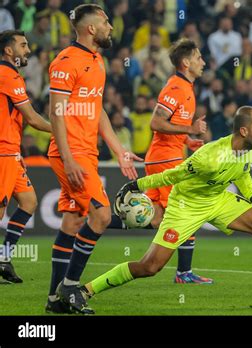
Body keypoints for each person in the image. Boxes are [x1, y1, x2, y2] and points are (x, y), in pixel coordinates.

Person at [78, 106, 252, 313]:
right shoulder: (209, 157)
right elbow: (174, 175)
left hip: (217, 200)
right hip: (186, 207)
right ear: (243, 131)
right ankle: (86, 290)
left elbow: (242, 176)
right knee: (150, 266)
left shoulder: (250, 150)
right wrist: (136, 183)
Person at [46, 4, 141, 314]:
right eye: (106, 23)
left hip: (86, 152)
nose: (111, 28)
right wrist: (69, 158)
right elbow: (56, 113)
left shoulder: (96, 61)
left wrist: (117, 149)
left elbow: (97, 110)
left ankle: (54, 301)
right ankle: (71, 288)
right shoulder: (65, 61)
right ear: (90, 29)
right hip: (71, 153)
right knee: (100, 217)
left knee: (73, 220)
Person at [143, 38, 212, 284]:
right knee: (187, 211)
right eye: (198, 58)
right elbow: (156, 122)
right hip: (165, 160)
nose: (202, 62)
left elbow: (169, 127)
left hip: (166, 157)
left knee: (155, 218)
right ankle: (183, 273)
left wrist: (187, 140)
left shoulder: (186, 88)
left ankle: (97, 223)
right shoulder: (176, 87)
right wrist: (191, 128)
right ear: (186, 63)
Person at [0, 30, 51, 283]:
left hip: (11, 151)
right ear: (9, 51)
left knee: (29, 201)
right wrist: (63, 131)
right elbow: (31, 118)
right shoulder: (7, 75)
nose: (28, 49)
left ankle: (4, 258)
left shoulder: (11, 75)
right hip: (3, 152)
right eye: (23, 45)